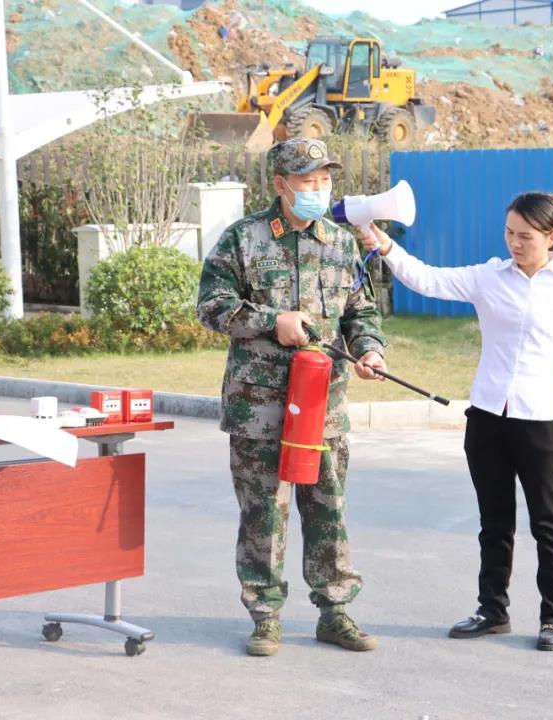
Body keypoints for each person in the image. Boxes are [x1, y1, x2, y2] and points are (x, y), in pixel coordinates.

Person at [359, 192, 553, 651]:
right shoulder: (488, 277)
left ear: (551, 236)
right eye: (509, 233)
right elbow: (427, 279)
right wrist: (385, 246)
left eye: (525, 236)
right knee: (494, 521)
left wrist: (545, 385)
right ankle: (492, 610)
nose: (515, 243)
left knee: (549, 523)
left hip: (540, 424)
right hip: (487, 418)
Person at [197, 137, 389, 657]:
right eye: (308, 180)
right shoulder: (244, 239)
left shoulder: (341, 243)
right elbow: (211, 305)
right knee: (263, 513)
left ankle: (335, 611)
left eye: (325, 179)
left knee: (328, 510)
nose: (318, 189)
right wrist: (270, 321)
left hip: (324, 405)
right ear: (282, 184)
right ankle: (265, 616)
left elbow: (360, 311)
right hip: (259, 407)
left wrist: (369, 350)